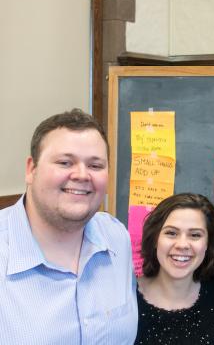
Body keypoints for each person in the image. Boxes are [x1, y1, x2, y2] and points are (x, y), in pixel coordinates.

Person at [0, 109, 137, 344]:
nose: (82, 175)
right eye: (65, 162)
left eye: (95, 166)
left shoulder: (116, 237)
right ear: (31, 169)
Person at [134, 193, 214, 345]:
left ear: (207, 244)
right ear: (155, 238)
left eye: (195, 235)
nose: (182, 244)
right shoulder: (126, 297)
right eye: (171, 233)